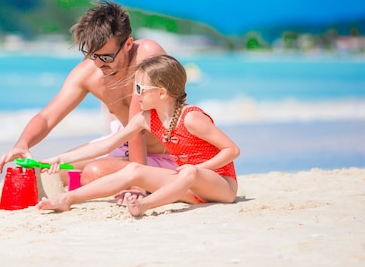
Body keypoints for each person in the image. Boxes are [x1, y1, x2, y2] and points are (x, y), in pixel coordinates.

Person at [36, 54, 240, 217]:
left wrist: (197, 168)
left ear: (161, 93)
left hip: (221, 185)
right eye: (135, 87)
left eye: (140, 88)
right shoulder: (146, 118)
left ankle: (144, 205)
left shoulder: (191, 118)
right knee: (134, 169)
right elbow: (107, 145)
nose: (136, 94)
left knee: (189, 173)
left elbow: (232, 150)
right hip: (186, 187)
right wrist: (60, 159)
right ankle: (68, 199)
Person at [0, 0, 174, 185]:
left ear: (128, 43)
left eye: (106, 57)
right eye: (92, 55)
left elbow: (138, 129)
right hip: (124, 145)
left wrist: (138, 183)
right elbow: (47, 117)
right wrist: (23, 143)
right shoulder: (88, 72)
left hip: (168, 153)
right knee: (49, 172)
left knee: (94, 172)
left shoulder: (148, 54)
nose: (99, 64)